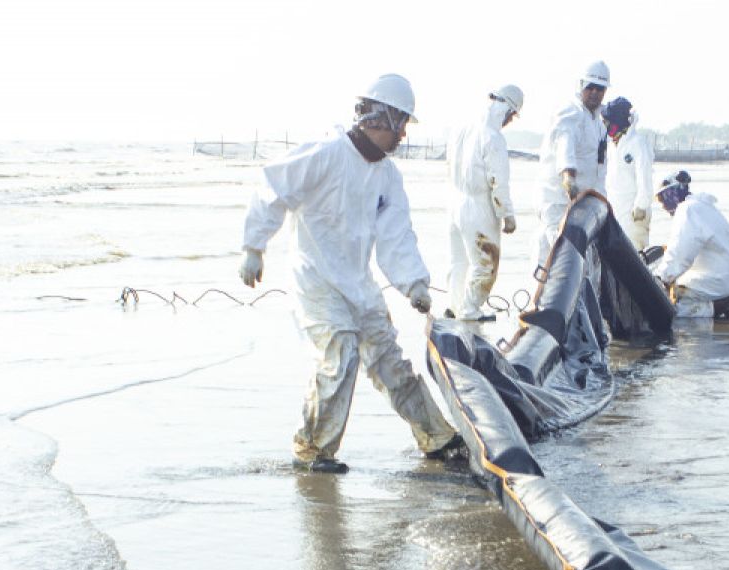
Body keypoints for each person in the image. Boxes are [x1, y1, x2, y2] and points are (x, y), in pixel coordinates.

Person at [239, 73, 463, 474]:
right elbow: (274, 187)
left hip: (359, 286)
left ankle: (437, 437)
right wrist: (254, 247)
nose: (404, 136)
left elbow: (396, 236)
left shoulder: (387, 177)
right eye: (403, 125)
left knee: (390, 362)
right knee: (340, 354)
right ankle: (313, 449)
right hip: (317, 283)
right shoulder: (326, 153)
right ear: (381, 119)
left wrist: (414, 284)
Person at [445, 84, 523, 322]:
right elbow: (498, 181)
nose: (510, 121)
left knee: (458, 262)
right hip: (478, 206)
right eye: (511, 116)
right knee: (485, 264)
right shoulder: (492, 136)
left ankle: (455, 306)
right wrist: (507, 215)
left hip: (455, 203)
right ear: (507, 110)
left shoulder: (462, 129)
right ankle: (469, 310)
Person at [534, 61, 610, 268]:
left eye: (600, 89)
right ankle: (541, 299)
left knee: (582, 262)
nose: (594, 93)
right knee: (556, 257)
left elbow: (598, 169)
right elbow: (564, 143)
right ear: (581, 86)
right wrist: (568, 175)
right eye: (590, 87)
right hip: (559, 202)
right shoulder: (571, 113)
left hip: (582, 203)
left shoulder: (597, 121)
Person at [651, 170, 729, 319]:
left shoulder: (687, 210)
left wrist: (659, 279)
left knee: (675, 310)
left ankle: (720, 306)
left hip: (719, 278)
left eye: (662, 199)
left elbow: (680, 256)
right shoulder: (700, 206)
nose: (662, 206)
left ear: (672, 193)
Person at [602, 96, 654, 251]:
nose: (604, 126)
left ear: (616, 121)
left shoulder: (638, 143)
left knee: (633, 250)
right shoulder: (611, 146)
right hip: (614, 208)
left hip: (634, 211)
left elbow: (644, 177)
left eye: (607, 122)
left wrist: (641, 205)